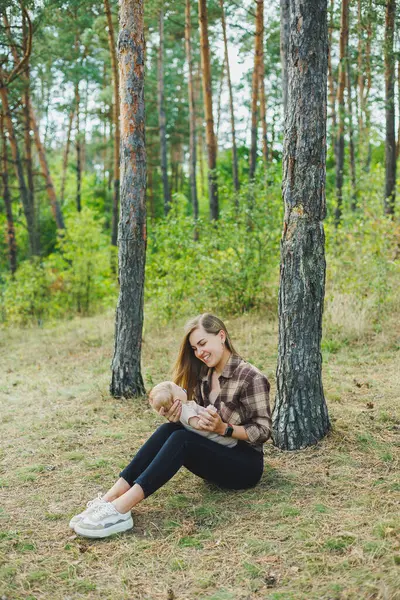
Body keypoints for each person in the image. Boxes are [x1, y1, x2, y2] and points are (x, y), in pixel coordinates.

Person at [71, 313, 271, 539]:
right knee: (169, 430)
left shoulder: (250, 377)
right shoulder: (205, 374)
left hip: (244, 465)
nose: (199, 352)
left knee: (181, 440)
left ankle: (121, 509)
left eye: (203, 343)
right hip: (216, 451)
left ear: (222, 336)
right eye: (195, 348)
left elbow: (263, 431)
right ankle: (108, 499)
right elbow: (196, 421)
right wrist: (178, 416)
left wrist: (224, 428)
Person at [149, 381, 237, 447]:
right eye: (179, 388)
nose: (182, 388)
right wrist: (209, 412)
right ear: (176, 400)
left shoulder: (184, 408)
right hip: (223, 441)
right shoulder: (184, 410)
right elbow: (198, 424)